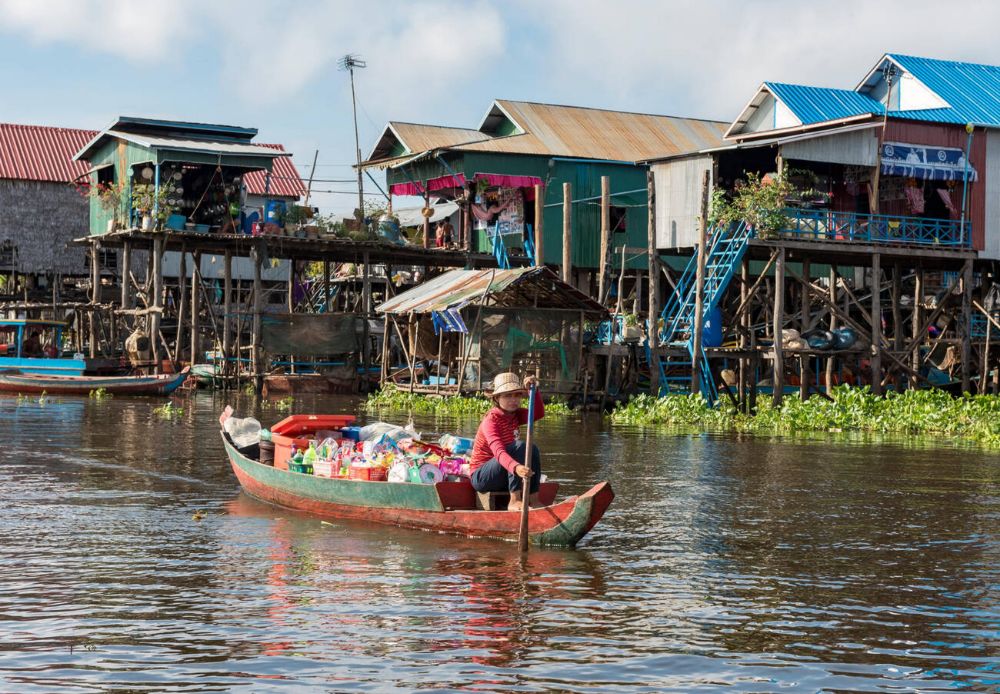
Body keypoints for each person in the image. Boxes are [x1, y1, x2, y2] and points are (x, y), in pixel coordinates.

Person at [468, 372, 544, 511]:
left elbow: (537, 413)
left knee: (532, 448)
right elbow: (499, 452)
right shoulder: (490, 421)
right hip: (482, 478)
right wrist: (516, 467)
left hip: (504, 473)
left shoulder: (515, 415)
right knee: (518, 446)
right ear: (497, 398)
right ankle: (514, 500)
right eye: (508, 395)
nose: (513, 400)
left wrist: (534, 390)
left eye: (517, 395)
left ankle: (534, 499)